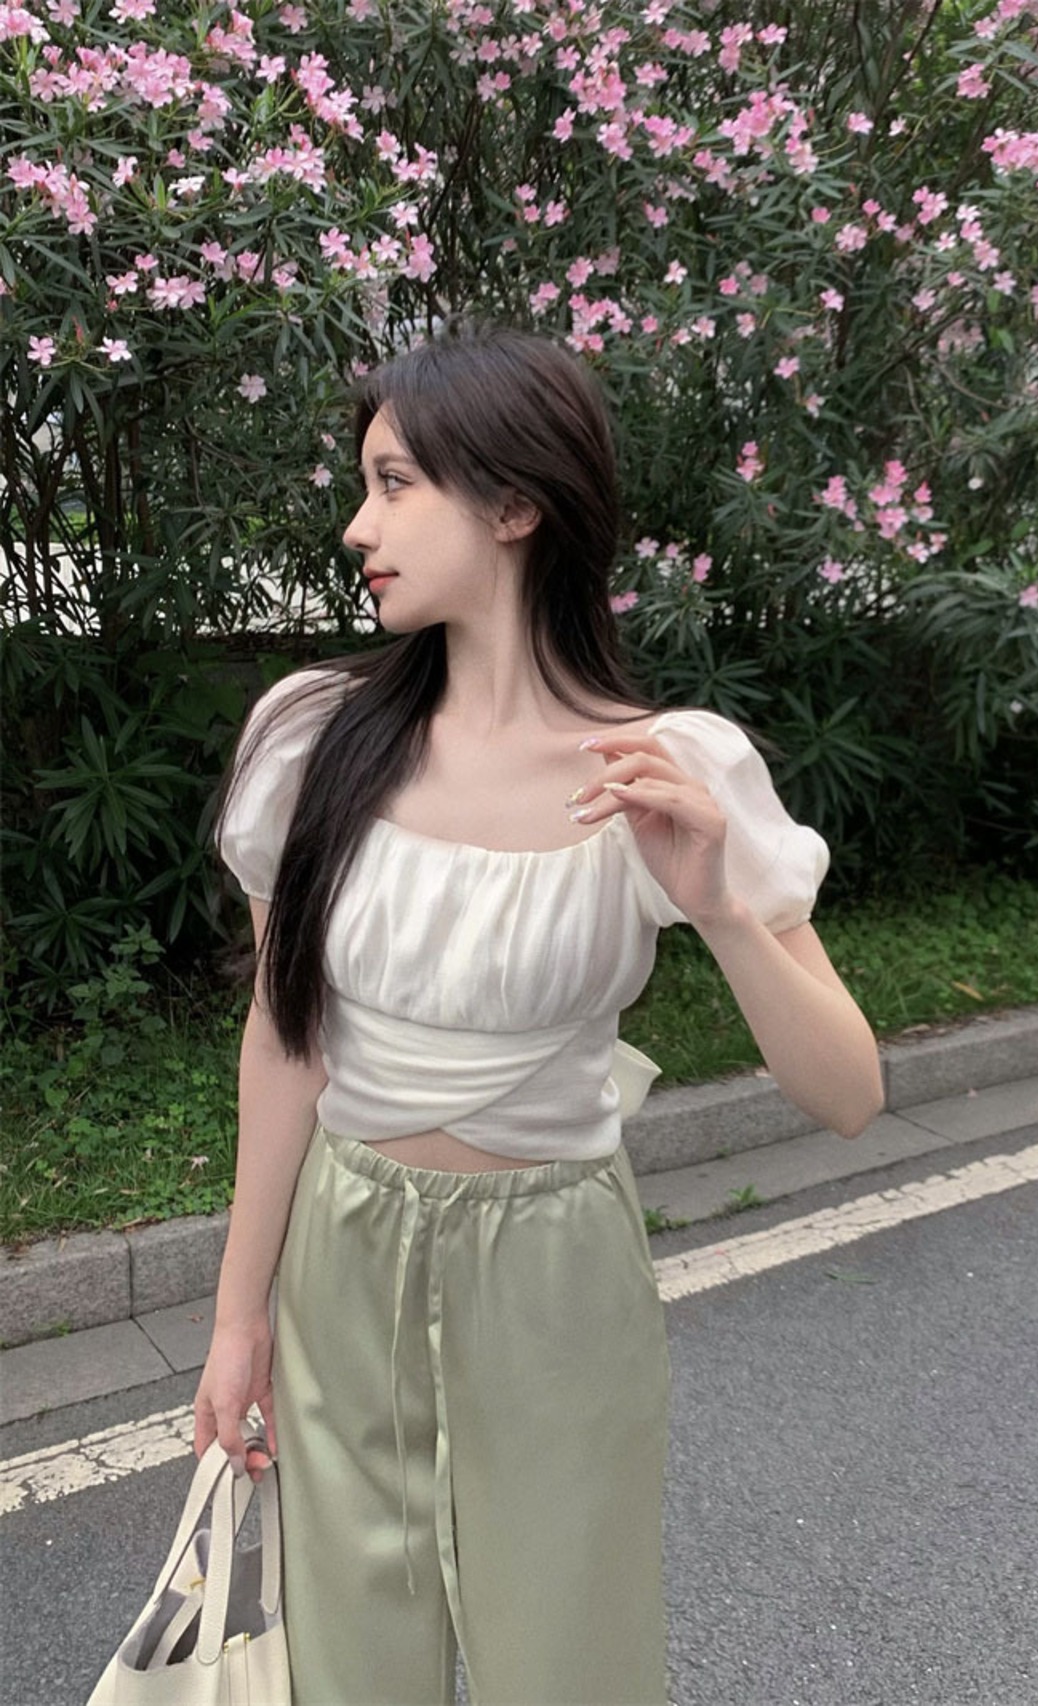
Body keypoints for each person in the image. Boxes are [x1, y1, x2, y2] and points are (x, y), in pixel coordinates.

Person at [194, 321, 883, 1706]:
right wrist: (235, 1319)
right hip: (342, 1252)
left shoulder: (667, 769)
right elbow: (285, 1038)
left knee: (568, 1660)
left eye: (395, 484)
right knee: (352, 1660)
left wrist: (721, 909)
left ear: (515, 506)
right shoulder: (312, 738)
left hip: (557, 1271)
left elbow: (849, 1093)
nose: (357, 527)